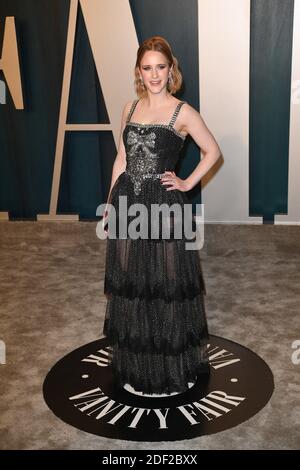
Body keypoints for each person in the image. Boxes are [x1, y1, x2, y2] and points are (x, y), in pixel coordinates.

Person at [102, 36, 221, 397]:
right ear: (139, 71)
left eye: (160, 67)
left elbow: (212, 151)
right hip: (127, 202)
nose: (154, 75)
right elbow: (122, 158)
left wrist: (186, 183)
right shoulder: (129, 107)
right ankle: (137, 363)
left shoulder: (181, 112)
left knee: (168, 285)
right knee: (131, 283)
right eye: (147, 68)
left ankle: (171, 366)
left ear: (171, 70)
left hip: (164, 206)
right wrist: (109, 202)